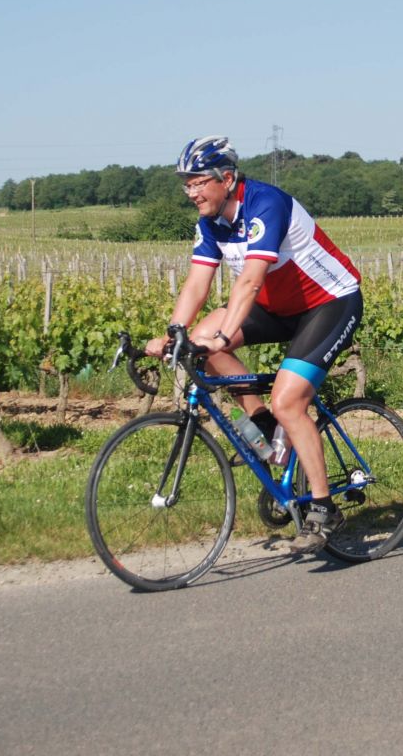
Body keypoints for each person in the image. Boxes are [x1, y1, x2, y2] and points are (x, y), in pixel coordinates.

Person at [145, 135, 363, 552]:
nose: (190, 192)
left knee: (289, 401)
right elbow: (197, 282)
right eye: (185, 184)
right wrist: (175, 333)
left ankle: (323, 508)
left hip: (329, 302)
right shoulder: (210, 223)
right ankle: (260, 421)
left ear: (226, 179)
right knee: (199, 342)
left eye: (197, 183)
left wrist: (227, 334)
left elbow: (251, 278)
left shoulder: (266, 203)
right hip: (276, 307)